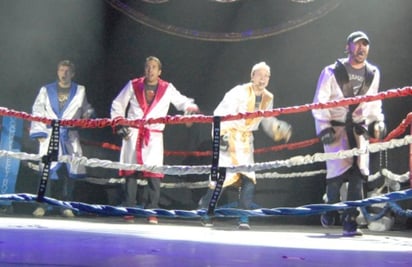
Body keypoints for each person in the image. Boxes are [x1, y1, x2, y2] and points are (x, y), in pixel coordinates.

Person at [199, 61, 292, 230]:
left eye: (266, 76)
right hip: (230, 137)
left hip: (246, 141)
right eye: (260, 75)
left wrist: (279, 129)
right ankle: (205, 210)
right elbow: (220, 113)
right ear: (252, 75)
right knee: (221, 178)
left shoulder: (268, 97)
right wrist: (221, 136)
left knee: (249, 179)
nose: (263, 79)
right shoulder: (238, 92)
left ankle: (243, 218)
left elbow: (267, 120)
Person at [312, 31, 386, 236]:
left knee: (358, 175)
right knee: (335, 177)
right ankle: (330, 209)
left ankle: (350, 219)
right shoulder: (331, 71)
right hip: (336, 128)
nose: (361, 48)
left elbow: (374, 101)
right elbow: (320, 101)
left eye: (365, 44)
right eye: (357, 44)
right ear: (348, 47)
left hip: (359, 129)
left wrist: (376, 122)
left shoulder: (373, 72)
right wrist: (324, 126)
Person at [111, 56, 199, 224]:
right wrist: (119, 122)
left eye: (154, 67)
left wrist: (190, 108)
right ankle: (129, 210)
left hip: (153, 136)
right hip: (133, 133)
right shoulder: (133, 84)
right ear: (145, 69)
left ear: (159, 71)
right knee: (131, 174)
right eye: (148, 67)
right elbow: (117, 104)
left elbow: (182, 102)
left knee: (154, 176)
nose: (150, 70)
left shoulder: (167, 88)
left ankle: (152, 212)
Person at [30, 60, 95, 218]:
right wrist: (39, 134)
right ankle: (42, 205)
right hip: (50, 135)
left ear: (72, 73)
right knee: (46, 171)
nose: (64, 73)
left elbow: (86, 108)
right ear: (57, 71)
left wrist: (89, 114)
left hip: (69, 136)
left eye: (67, 71)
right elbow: (37, 110)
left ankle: (65, 205)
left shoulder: (80, 90)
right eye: (61, 70)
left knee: (68, 172)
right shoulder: (46, 90)